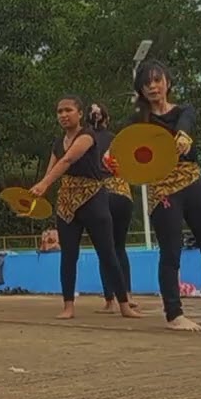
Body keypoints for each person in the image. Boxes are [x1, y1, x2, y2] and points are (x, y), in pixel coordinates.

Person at [120, 60, 201, 332]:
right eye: (147, 84)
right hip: (162, 188)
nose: (153, 87)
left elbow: (186, 122)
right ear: (141, 90)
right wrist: (114, 159)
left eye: (157, 81)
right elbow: (121, 146)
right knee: (171, 250)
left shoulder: (185, 111)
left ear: (167, 82)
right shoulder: (139, 120)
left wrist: (182, 135)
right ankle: (174, 314)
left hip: (191, 181)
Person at [30, 95, 139, 320]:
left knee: (108, 252)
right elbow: (52, 170)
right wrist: (36, 196)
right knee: (68, 255)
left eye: (68, 110)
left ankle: (124, 304)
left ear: (80, 114)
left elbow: (68, 161)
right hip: (67, 202)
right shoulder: (57, 143)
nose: (63, 115)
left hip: (93, 197)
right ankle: (68, 306)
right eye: (59, 111)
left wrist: (44, 184)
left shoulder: (87, 136)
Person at [88, 102, 138, 315]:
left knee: (104, 250)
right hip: (123, 193)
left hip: (100, 194)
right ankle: (128, 294)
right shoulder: (117, 139)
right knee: (119, 247)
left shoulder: (84, 140)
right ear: (107, 120)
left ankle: (110, 300)